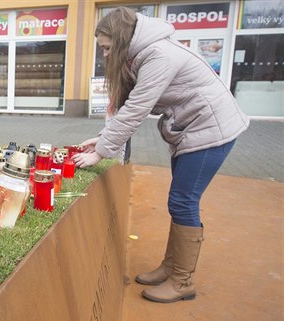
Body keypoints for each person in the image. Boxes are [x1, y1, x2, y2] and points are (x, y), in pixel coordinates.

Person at [74, 7, 249, 303]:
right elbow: (128, 107)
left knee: (183, 200)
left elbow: (137, 109)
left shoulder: (158, 55)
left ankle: (182, 281)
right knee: (180, 201)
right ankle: (171, 267)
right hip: (192, 129)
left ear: (120, 40)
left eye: (106, 47)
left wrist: (102, 152)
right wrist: (102, 138)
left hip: (212, 131)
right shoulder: (142, 54)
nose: (104, 54)